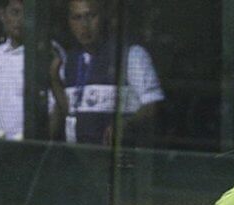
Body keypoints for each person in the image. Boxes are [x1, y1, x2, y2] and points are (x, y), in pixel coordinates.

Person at [49, 0, 164, 146]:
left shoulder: (131, 55)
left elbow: (152, 104)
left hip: (120, 159)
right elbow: (69, 111)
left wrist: (126, 124)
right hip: (80, 159)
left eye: (91, 16)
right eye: (77, 18)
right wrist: (54, 78)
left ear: (104, 16)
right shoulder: (69, 61)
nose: (84, 25)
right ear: (69, 22)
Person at [0, 0, 64, 141]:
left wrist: (41, 150)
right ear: (2, 15)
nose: (20, 20)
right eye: (15, 12)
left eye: (26, 14)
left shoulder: (49, 53)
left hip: (32, 150)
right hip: (1, 150)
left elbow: (56, 108)